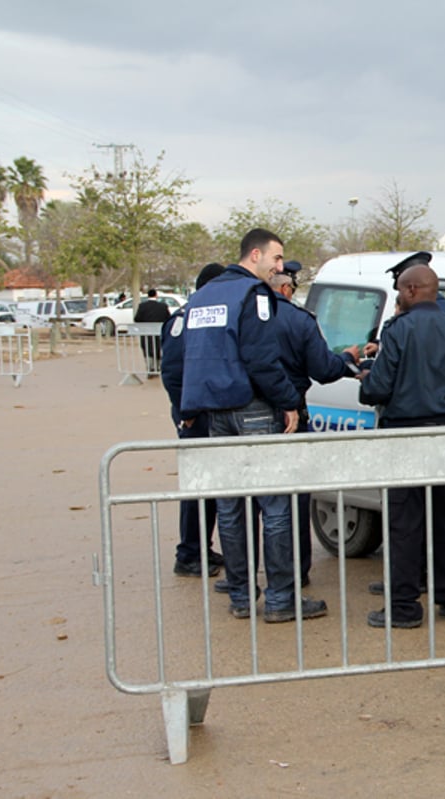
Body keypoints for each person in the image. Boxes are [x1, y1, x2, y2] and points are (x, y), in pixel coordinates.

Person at [166, 228, 327, 624]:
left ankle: (239, 596)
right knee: (275, 507)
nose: (278, 267)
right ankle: (280, 600)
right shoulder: (252, 296)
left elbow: (190, 358)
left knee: (230, 508)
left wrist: (188, 407)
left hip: (214, 415)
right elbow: (260, 359)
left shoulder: (200, 298)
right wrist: (289, 402)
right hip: (253, 410)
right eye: (275, 259)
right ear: (254, 255)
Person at [350, 262, 445, 628]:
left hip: (406, 434)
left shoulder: (399, 329)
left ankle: (405, 607)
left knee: (405, 523)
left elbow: (378, 388)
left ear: (410, 291)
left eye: (399, 292)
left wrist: (366, 381)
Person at [266, 269, 359, 585]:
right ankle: (294, 575)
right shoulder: (297, 320)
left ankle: (247, 578)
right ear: (287, 290)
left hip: (249, 418)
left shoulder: (244, 317)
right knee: (293, 502)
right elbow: (323, 369)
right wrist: (347, 359)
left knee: (251, 501)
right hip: (291, 416)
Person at [162, 264, 226, 578]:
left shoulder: (206, 316)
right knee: (198, 486)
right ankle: (188, 553)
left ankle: (202, 547)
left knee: (211, 488)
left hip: (207, 412)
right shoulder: (184, 319)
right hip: (195, 416)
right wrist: (186, 414)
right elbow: (173, 373)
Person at [135, 288, 171, 375]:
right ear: (156, 295)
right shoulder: (163, 306)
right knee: (159, 349)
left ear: (148, 295)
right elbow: (168, 318)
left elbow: (137, 319)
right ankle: (158, 367)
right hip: (160, 332)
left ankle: (150, 367)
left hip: (146, 332)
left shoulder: (142, 306)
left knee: (147, 350)